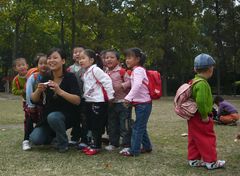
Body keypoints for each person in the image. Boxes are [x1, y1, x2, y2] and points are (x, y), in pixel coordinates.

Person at [30, 48, 81, 153]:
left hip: (68, 116)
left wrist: (60, 91)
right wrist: (38, 91)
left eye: (55, 57)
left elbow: (77, 100)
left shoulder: (70, 77)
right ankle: (55, 136)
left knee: (54, 117)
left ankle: (63, 143)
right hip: (48, 118)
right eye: (49, 58)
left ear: (63, 61)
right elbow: (33, 100)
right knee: (36, 139)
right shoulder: (45, 78)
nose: (51, 60)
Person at [187, 53, 225, 170]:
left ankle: (193, 159)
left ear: (195, 69)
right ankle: (211, 162)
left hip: (192, 116)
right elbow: (201, 101)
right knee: (207, 138)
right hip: (201, 116)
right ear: (210, 69)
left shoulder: (193, 81)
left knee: (194, 137)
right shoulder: (203, 84)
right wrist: (204, 115)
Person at [79, 49, 114, 155]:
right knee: (89, 123)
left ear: (91, 60)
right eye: (79, 59)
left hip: (98, 102)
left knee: (96, 125)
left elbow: (106, 80)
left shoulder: (95, 70)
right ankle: (92, 144)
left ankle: (97, 146)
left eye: (83, 58)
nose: (80, 61)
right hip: (89, 101)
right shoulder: (86, 72)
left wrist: (110, 95)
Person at [120, 48, 153, 157]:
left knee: (137, 127)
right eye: (126, 58)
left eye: (129, 58)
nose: (127, 60)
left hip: (143, 104)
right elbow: (135, 84)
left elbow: (137, 85)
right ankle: (147, 147)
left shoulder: (138, 70)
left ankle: (134, 150)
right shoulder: (136, 70)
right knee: (140, 126)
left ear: (138, 59)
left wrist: (128, 98)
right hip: (142, 104)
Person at [104, 49, 132, 151]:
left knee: (124, 124)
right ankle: (113, 143)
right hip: (111, 102)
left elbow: (130, 82)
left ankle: (126, 145)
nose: (109, 59)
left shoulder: (122, 71)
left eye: (112, 57)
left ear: (118, 60)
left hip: (123, 102)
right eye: (107, 57)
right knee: (112, 124)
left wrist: (123, 85)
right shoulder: (104, 72)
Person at [23, 53, 48, 151]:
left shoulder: (51, 76)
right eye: (41, 63)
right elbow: (29, 91)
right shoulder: (33, 77)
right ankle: (25, 140)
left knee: (43, 120)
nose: (43, 65)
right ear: (37, 65)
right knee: (29, 120)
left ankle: (48, 137)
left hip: (44, 105)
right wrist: (31, 105)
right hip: (33, 104)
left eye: (45, 63)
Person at [67, 46, 87, 146]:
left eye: (80, 52)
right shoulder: (70, 69)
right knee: (75, 117)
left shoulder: (88, 68)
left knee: (84, 118)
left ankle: (84, 139)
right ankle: (74, 137)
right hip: (73, 97)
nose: (77, 54)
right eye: (75, 52)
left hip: (85, 98)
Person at [11, 58, 29, 150]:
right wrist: (23, 91)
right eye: (19, 65)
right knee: (28, 118)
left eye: (23, 64)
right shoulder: (16, 80)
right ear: (15, 68)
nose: (22, 67)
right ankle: (27, 138)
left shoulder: (32, 74)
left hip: (37, 99)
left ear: (27, 66)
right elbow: (14, 91)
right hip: (26, 101)